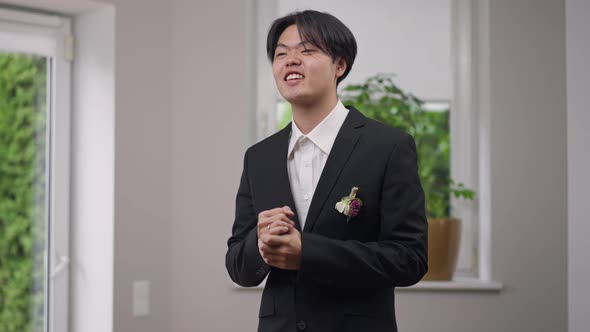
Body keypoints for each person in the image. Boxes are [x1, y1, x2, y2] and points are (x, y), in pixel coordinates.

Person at [225, 10, 428, 332]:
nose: (291, 60)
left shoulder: (388, 146)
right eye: (281, 54)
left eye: (307, 51)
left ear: (339, 65)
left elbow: (409, 259)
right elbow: (239, 267)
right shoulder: (258, 157)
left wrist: (308, 251)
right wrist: (258, 242)